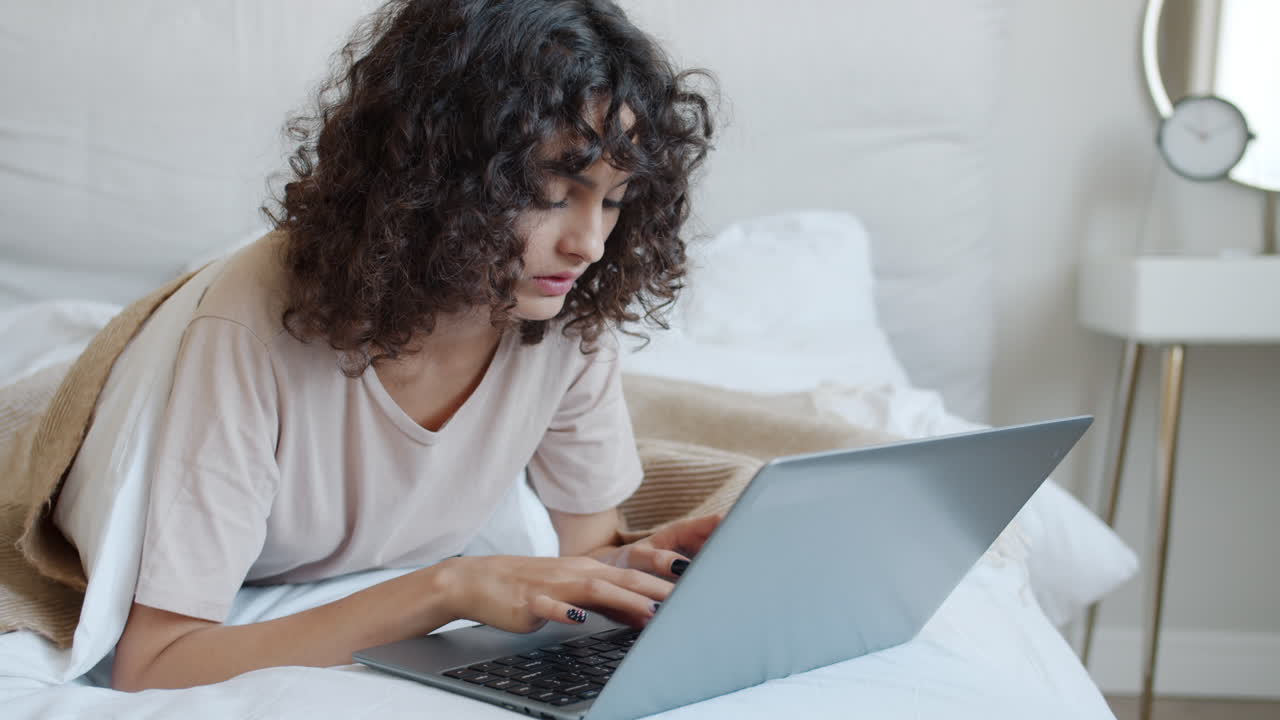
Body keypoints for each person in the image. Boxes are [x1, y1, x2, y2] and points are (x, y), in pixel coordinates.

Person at [110, 0, 715, 691]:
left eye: (613, 200)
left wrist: (631, 572)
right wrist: (447, 590)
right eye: (553, 193)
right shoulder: (249, 325)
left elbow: (589, 548)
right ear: (440, 174)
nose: (590, 243)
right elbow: (153, 662)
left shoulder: (562, 307)